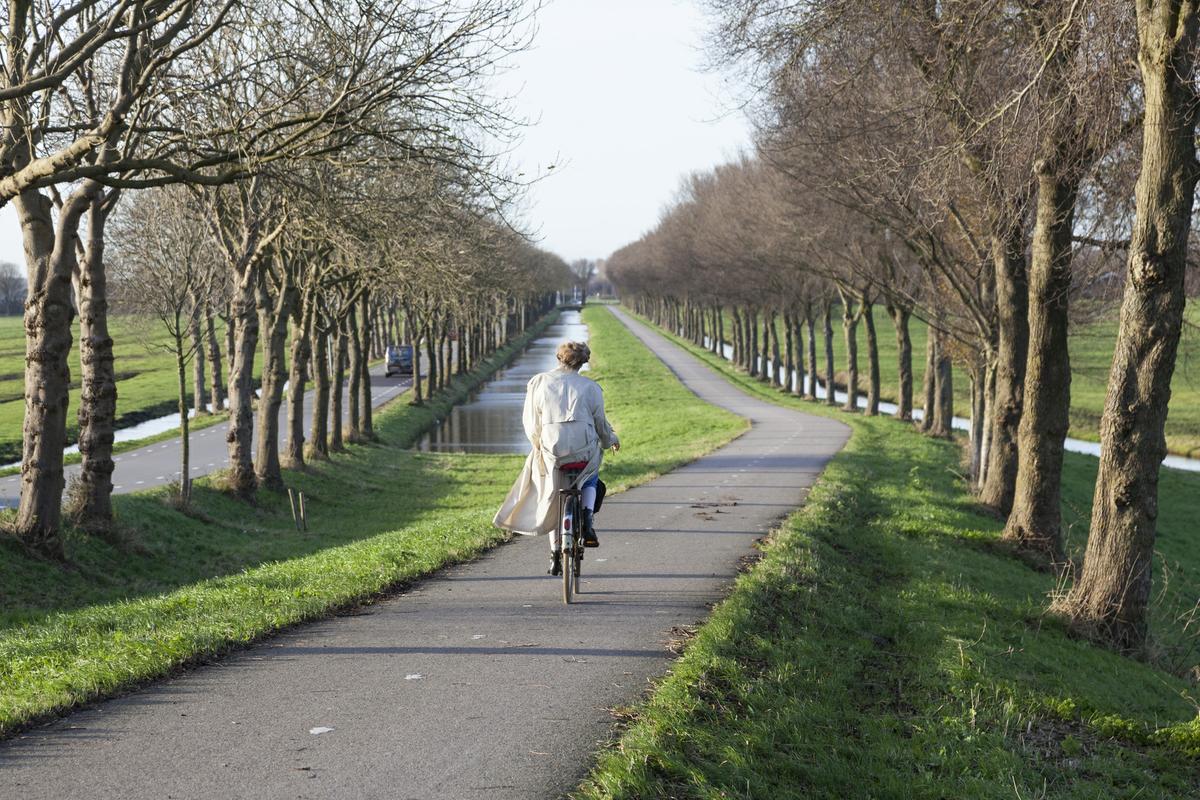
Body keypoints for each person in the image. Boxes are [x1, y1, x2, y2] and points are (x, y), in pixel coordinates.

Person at [493, 340, 620, 576]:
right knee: (591, 476)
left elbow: (531, 421)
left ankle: (554, 554)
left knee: (555, 498)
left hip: (552, 449)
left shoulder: (539, 382)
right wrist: (610, 439)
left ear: (559, 358)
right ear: (583, 362)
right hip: (583, 449)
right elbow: (600, 423)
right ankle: (588, 519)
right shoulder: (591, 388)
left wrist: (537, 445)